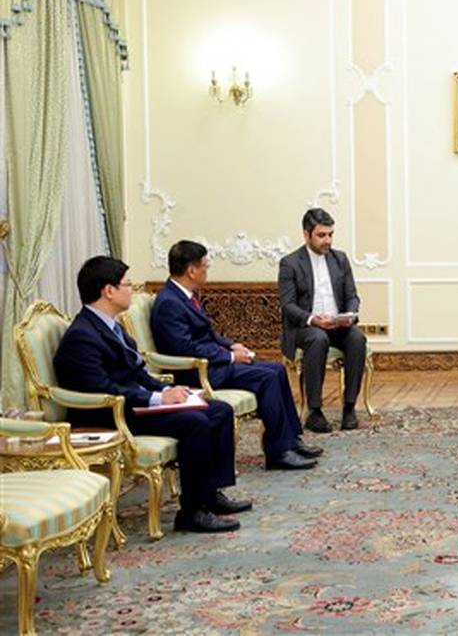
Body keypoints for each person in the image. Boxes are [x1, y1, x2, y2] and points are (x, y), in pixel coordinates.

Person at [54, 256, 249, 533]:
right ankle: (192, 513)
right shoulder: (82, 336)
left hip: (134, 404)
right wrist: (156, 399)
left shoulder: (112, 325)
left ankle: (210, 494)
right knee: (194, 422)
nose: (131, 290)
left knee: (219, 410)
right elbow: (103, 389)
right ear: (108, 291)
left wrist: (166, 390)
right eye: (127, 285)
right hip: (111, 415)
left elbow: (138, 373)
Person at [150, 240, 319, 470]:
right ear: (191, 270)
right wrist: (229, 357)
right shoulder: (169, 303)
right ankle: (278, 452)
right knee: (267, 377)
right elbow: (186, 348)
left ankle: (290, 440)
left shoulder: (186, 295)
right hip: (197, 373)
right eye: (205, 266)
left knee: (278, 369)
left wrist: (232, 346)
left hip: (214, 362)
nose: (207, 270)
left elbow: (208, 334)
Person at [277, 207, 368, 432]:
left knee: (357, 338)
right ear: (306, 234)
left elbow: (352, 296)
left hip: (337, 325)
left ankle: (349, 407)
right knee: (318, 339)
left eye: (330, 234)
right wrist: (313, 319)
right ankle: (314, 411)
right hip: (306, 327)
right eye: (321, 235)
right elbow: (288, 305)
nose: (327, 240)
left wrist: (349, 316)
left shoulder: (340, 259)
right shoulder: (290, 263)